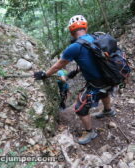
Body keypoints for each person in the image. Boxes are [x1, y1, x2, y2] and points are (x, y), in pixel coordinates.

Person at [34, 15, 116, 145]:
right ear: (85, 27)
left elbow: (58, 65)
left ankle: (90, 132)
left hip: (96, 82)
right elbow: (91, 59)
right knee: (104, 91)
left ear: (71, 31)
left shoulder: (74, 47)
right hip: (110, 76)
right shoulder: (96, 38)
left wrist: (45, 74)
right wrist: (75, 72)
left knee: (80, 108)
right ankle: (108, 110)